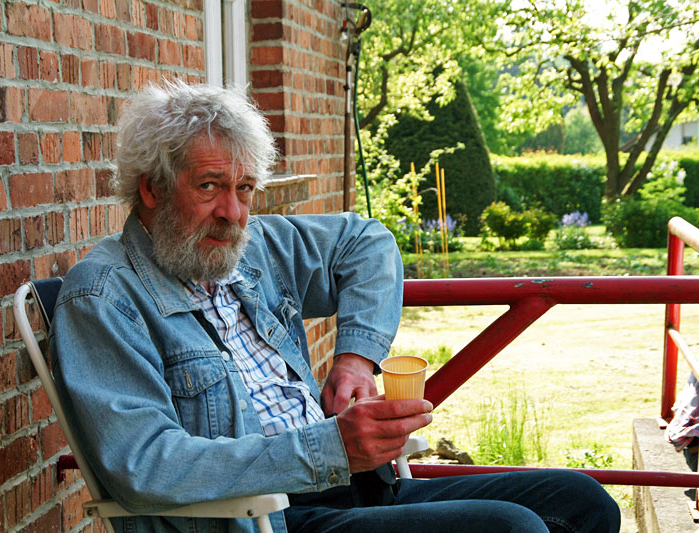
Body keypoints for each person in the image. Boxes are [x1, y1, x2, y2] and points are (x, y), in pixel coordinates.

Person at [50, 80, 621, 533]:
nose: (233, 213)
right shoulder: (103, 297)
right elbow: (146, 464)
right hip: (265, 518)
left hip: (352, 486)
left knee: (583, 501)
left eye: (244, 189)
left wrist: (355, 359)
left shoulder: (249, 249)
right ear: (151, 188)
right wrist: (327, 445)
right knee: (513, 529)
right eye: (209, 187)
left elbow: (366, 242)